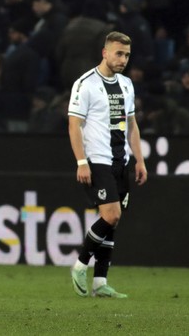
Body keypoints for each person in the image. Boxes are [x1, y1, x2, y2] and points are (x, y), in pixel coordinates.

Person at [68, 31, 148, 298]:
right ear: (105, 52)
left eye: (126, 54)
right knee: (111, 215)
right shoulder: (85, 84)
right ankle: (80, 264)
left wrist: (139, 159)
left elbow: (133, 125)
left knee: (112, 222)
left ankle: (100, 282)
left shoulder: (126, 84)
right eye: (118, 53)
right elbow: (74, 125)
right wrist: (81, 161)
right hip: (97, 159)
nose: (123, 59)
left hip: (120, 160)